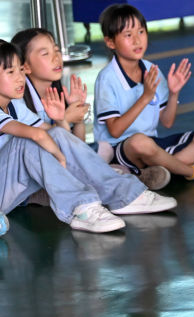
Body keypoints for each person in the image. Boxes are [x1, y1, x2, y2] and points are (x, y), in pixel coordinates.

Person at [0, 40, 176, 234]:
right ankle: (81, 208)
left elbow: (57, 135)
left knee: (54, 133)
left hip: (11, 185)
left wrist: (60, 121)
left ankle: (126, 195)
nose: (20, 78)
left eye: (20, 70)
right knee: (28, 141)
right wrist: (60, 157)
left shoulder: (16, 106)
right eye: (10, 72)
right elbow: (35, 135)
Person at [94, 5, 194, 190]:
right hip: (120, 150)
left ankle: (157, 171)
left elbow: (167, 122)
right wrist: (145, 97)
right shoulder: (107, 78)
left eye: (141, 31)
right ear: (110, 42)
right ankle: (193, 172)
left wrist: (173, 93)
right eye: (128, 35)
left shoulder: (150, 69)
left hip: (153, 147)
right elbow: (114, 131)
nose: (137, 40)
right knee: (139, 142)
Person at [11, 28, 90, 145]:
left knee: (103, 148)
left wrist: (78, 112)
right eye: (45, 54)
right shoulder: (17, 101)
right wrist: (66, 118)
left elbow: (78, 146)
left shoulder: (57, 92)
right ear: (26, 67)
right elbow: (34, 145)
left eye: (56, 50)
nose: (56, 58)